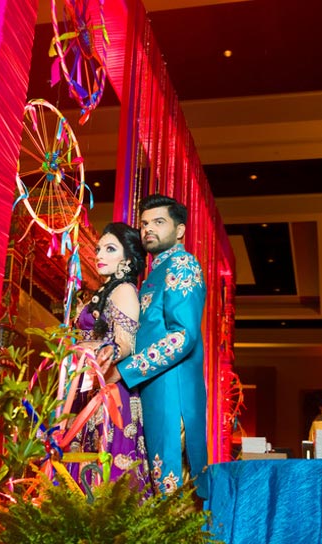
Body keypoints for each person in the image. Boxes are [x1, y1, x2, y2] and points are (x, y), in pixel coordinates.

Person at [105, 194, 208, 497]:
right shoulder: (153, 274)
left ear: (180, 230)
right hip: (152, 389)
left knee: (172, 490)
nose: (148, 229)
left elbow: (182, 336)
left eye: (159, 222)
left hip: (171, 391)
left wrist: (124, 371)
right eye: (145, 224)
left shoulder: (183, 264)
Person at [65, 222, 151, 491]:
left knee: (106, 464)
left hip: (110, 389)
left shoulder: (124, 289)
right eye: (99, 249)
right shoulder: (106, 290)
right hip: (89, 383)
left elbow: (126, 342)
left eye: (110, 249)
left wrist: (106, 353)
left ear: (127, 259)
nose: (99, 255)